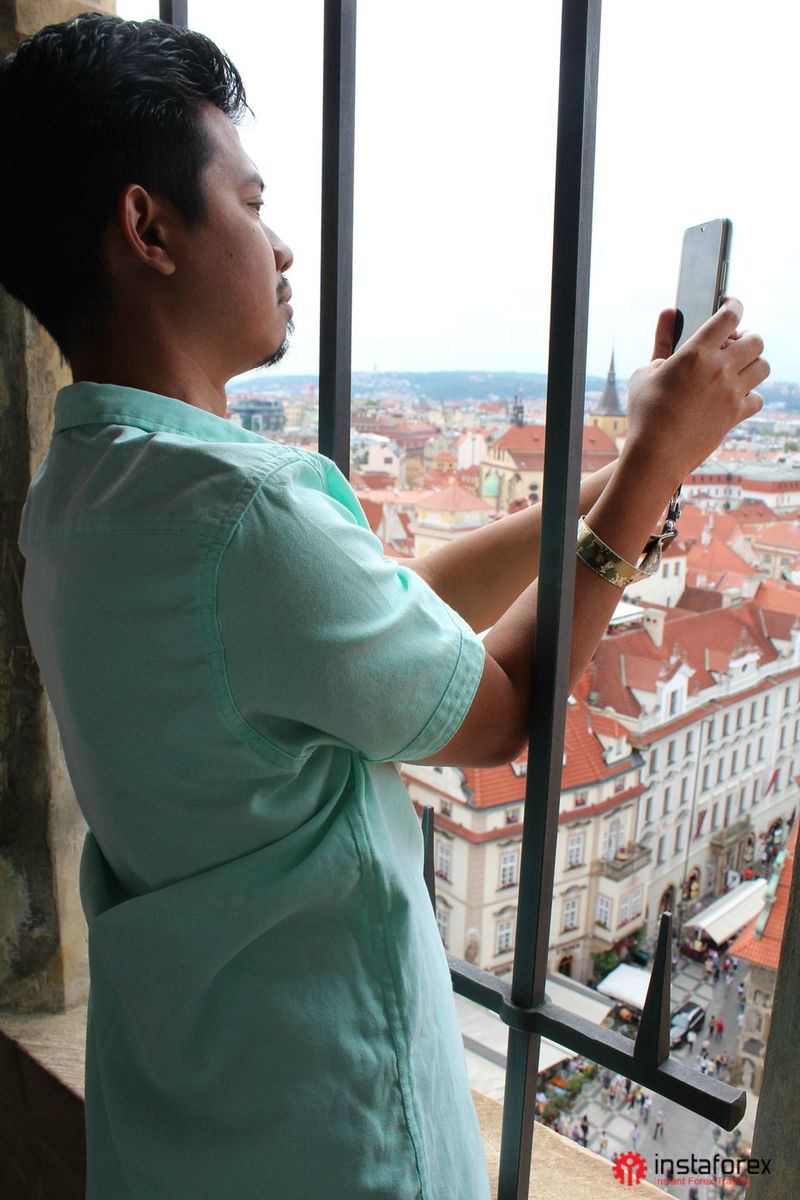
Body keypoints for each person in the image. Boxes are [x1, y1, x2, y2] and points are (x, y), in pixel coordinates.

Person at [0, 13, 770, 1200]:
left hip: (181, 1112)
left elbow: (381, 612)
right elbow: (503, 710)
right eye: (251, 202)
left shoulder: (77, 500)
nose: (282, 246)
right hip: (333, 1129)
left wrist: (626, 481)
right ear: (148, 228)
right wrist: (658, 459)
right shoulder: (244, 515)